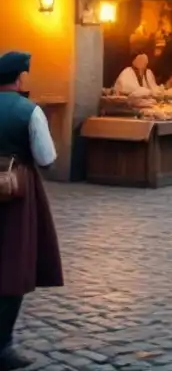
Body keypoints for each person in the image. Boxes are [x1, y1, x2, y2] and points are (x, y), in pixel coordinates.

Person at [0, 52, 63, 370]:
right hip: (15, 195)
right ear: (20, 78)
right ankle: (2, 347)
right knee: (13, 266)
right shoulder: (29, 111)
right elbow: (46, 157)